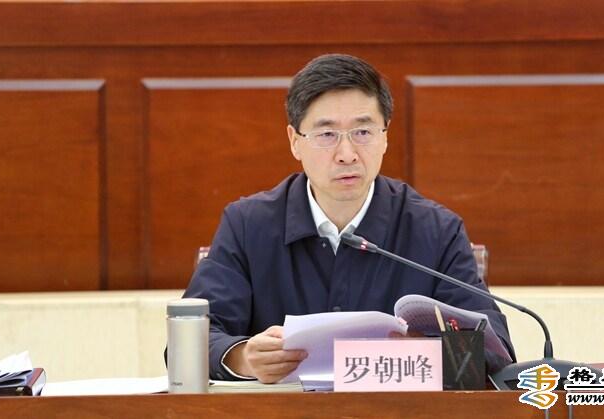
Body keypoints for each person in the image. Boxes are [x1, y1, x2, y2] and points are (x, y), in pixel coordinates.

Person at [182, 53, 515, 383]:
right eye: (327, 134)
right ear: (295, 142)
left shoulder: (436, 230)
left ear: (385, 137)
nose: (346, 154)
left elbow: (495, 348)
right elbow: (191, 340)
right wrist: (243, 357)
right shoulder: (247, 225)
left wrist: (427, 354)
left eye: (363, 132)